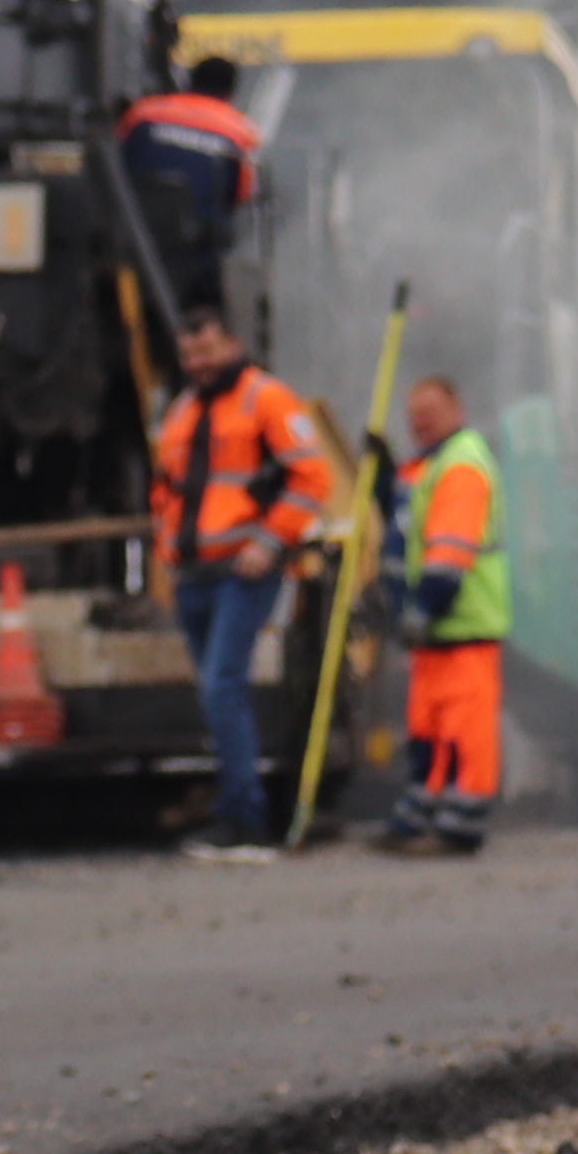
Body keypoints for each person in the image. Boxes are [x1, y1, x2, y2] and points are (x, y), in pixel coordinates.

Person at [149, 305, 336, 861]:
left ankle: (245, 817)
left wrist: (270, 542)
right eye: (188, 355)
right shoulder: (183, 411)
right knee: (218, 693)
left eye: (206, 350)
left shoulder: (267, 398)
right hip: (195, 573)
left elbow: (313, 476)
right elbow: (167, 489)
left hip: (241, 570)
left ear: (232, 344)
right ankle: (238, 812)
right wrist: (165, 550)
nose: (197, 363)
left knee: (221, 686)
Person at [375, 374, 507, 854]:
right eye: (414, 418)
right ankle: (420, 816)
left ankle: (461, 826)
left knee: (465, 730)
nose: (420, 424)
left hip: (461, 620)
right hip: (435, 627)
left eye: (429, 414)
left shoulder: (461, 465)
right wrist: (382, 482)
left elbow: (450, 547)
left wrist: (427, 603)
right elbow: (405, 527)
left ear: (457, 409)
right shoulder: (427, 465)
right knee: (428, 727)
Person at [116, 58, 265, 325]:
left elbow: (118, 160)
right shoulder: (239, 133)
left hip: (132, 238)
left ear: (189, 81)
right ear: (231, 92)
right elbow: (240, 195)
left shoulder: (142, 113)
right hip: (195, 256)